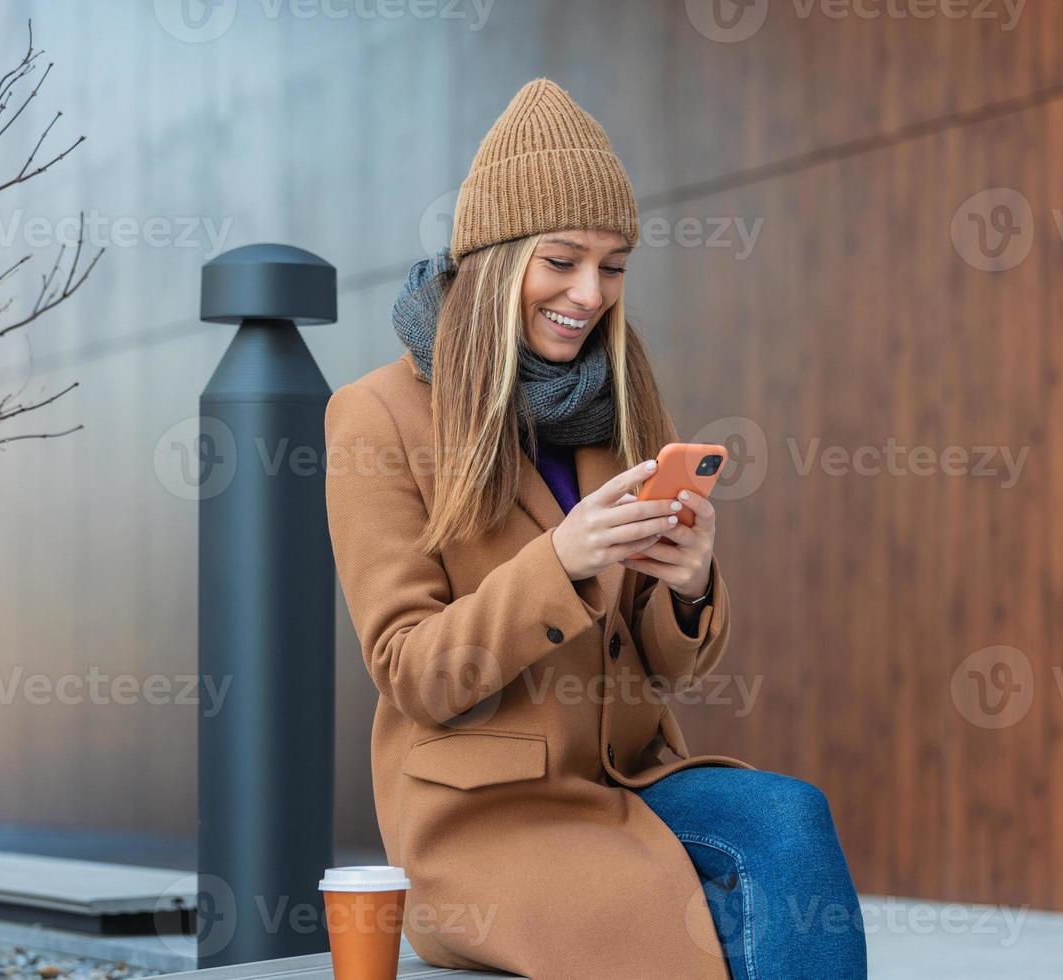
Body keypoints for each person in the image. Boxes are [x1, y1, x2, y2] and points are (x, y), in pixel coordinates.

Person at [324, 77, 866, 980]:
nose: (590, 293)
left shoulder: (617, 403)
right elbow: (414, 672)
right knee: (694, 936)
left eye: (613, 266)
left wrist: (688, 588)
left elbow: (661, 666)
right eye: (562, 260)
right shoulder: (376, 417)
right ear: (496, 259)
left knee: (790, 821)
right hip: (489, 819)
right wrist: (561, 564)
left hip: (628, 779)